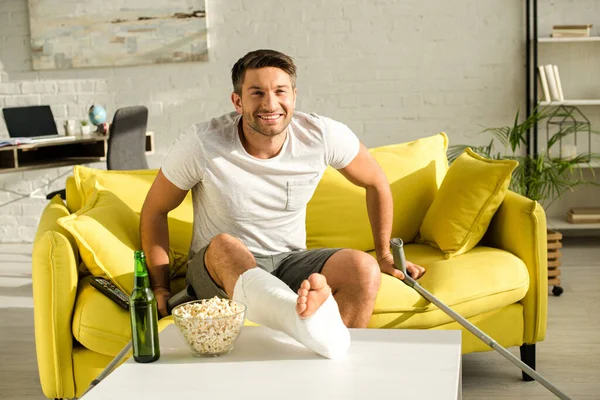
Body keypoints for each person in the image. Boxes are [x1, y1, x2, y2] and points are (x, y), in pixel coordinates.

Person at [140, 49, 425, 358]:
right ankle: (303, 322)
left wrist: (383, 254)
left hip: (288, 262)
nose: (270, 104)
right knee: (225, 244)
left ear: (294, 95)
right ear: (238, 101)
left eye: (280, 91)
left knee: (363, 269)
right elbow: (155, 210)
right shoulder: (202, 144)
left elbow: (376, 181)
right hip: (218, 271)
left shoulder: (321, 135)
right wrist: (159, 286)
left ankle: (325, 359)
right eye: (257, 93)